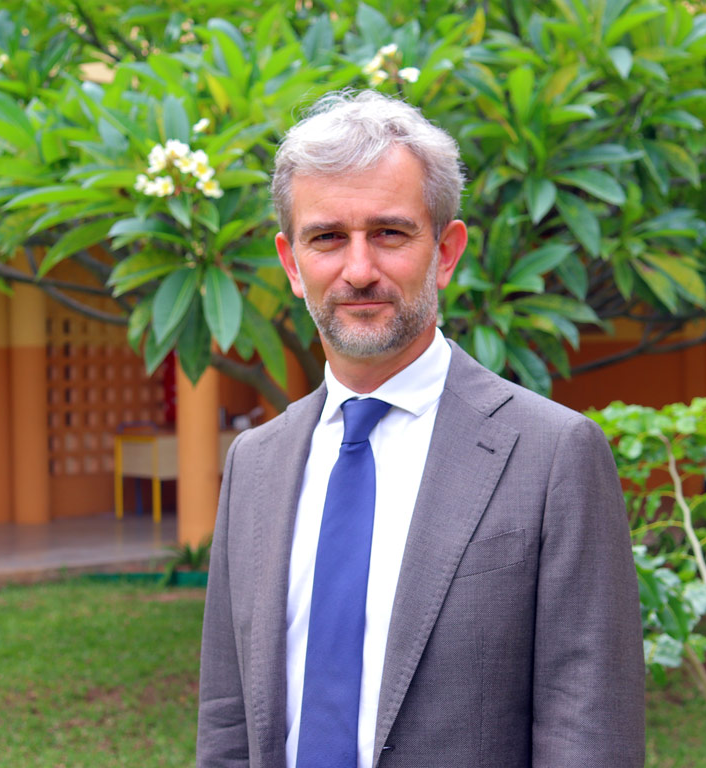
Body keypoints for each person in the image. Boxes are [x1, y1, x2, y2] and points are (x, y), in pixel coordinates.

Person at [196, 90, 644, 768]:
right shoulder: (256, 462)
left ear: (445, 251)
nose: (358, 270)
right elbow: (227, 720)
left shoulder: (552, 455)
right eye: (327, 238)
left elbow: (589, 734)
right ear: (291, 264)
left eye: (389, 233)